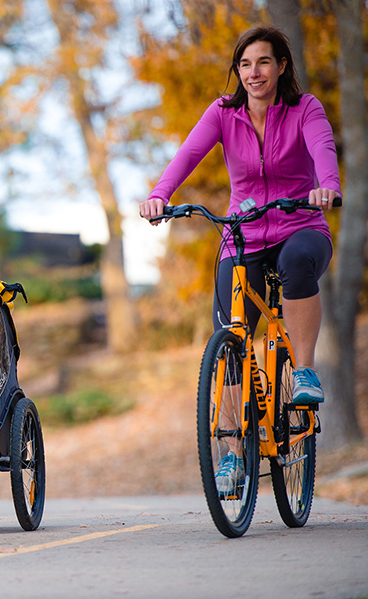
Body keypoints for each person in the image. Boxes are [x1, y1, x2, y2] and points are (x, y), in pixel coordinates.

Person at [139, 26, 340, 492]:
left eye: (264, 62)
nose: (254, 73)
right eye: (246, 64)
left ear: (282, 66)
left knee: (298, 265)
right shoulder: (223, 113)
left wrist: (326, 185)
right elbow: (188, 153)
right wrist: (158, 196)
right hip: (243, 234)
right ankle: (232, 456)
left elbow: (322, 148)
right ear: (237, 71)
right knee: (230, 336)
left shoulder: (304, 108)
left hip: (300, 224)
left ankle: (304, 370)